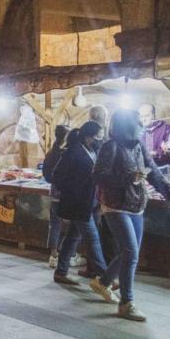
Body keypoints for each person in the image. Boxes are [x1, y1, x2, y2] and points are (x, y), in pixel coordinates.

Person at [93, 109, 170, 322]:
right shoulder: (110, 147)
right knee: (131, 252)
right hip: (115, 206)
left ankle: (103, 282)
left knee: (129, 253)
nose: (141, 126)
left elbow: (154, 173)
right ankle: (126, 303)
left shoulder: (139, 146)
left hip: (137, 205)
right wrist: (128, 177)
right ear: (126, 125)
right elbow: (99, 176)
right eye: (137, 122)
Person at [51, 123, 110, 290]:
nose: (99, 139)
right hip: (77, 202)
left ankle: (61, 271)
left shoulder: (92, 151)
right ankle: (105, 277)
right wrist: (72, 190)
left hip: (89, 202)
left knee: (73, 237)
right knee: (93, 239)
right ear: (88, 136)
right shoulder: (73, 151)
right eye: (97, 136)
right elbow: (57, 175)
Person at [42, 125, 70, 268]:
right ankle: (70, 254)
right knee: (73, 226)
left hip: (55, 193)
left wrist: (54, 182)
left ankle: (53, 255)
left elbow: (46, 175)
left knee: (55, 224)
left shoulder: (51, 153)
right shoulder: (67, 153)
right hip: (68, 194)